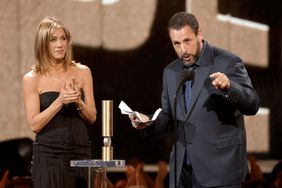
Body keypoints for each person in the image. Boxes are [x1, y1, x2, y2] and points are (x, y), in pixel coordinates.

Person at [128, 12, 260, 188]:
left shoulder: (227, 61)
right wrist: (148, 121)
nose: (183, 50)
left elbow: (252, 104)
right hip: (182, 172)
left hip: (220, 171)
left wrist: (230, 87)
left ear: (199, 34)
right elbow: (169, 116)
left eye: (187, 41)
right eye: (176, 43)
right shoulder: (171, 72)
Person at [22, 17, 97, 188]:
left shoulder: (83, 72)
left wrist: (78, 102)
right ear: (43, 44)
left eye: (63, 38)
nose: (60, 44)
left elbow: (92, 117)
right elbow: (35, 124)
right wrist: (60, 101)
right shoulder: (32, 79)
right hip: (49, 156)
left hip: (80, 152)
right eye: (53, 40)